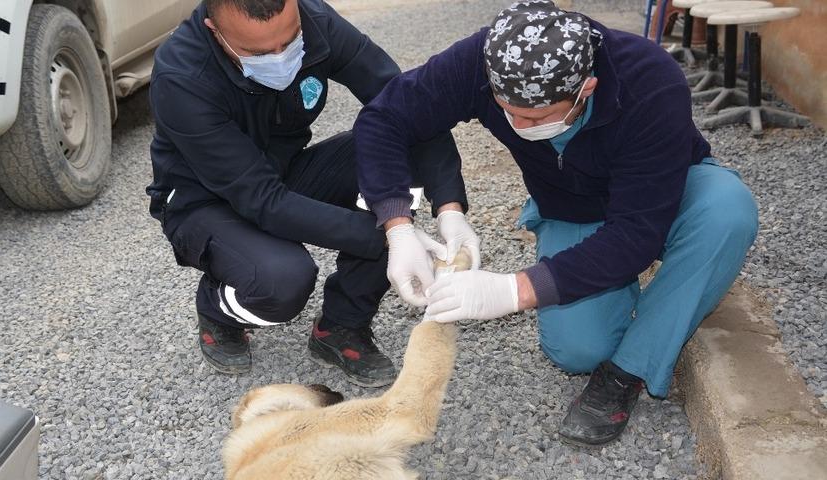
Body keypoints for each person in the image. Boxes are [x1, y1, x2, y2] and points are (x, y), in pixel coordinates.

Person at [353, 0, 758, 445]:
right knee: (579, 349)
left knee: (727, 210)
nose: (518, 124)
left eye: (537, 117)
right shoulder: (486, 59)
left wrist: (513, 290)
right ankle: (640, 296)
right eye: (507, 111)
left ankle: (630, 369)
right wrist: (399, 225)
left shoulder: (650, 80)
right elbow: (385, 117)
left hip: (663, 194)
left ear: (587, 88)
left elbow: (635, 232)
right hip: (573, 205)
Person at [145, 0, 469, 387]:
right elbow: (260, 200)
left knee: (397, 152)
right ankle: (218, 308)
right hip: (206, 202)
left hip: (281, 174)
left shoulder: (314, 20)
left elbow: (408, 105)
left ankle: (341, 326)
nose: (281, 58)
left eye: (289, 41)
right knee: (282, 283)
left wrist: (450, 207)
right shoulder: (181, 77)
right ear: (215, 30)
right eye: (259, 52)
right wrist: (392, 232)